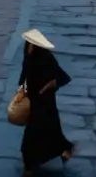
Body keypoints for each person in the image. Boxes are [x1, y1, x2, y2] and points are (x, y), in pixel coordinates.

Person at [17, 29, 73, 176]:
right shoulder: (28, 59)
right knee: (49, 132)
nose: (29, 49)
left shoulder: (46, 58)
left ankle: (29, 165)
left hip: (45, 102)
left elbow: (61, 77)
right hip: (33, 101)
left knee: (36, 133)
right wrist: (21, 92)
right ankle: (63, 149)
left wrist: (47, 88)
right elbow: (24, 77)